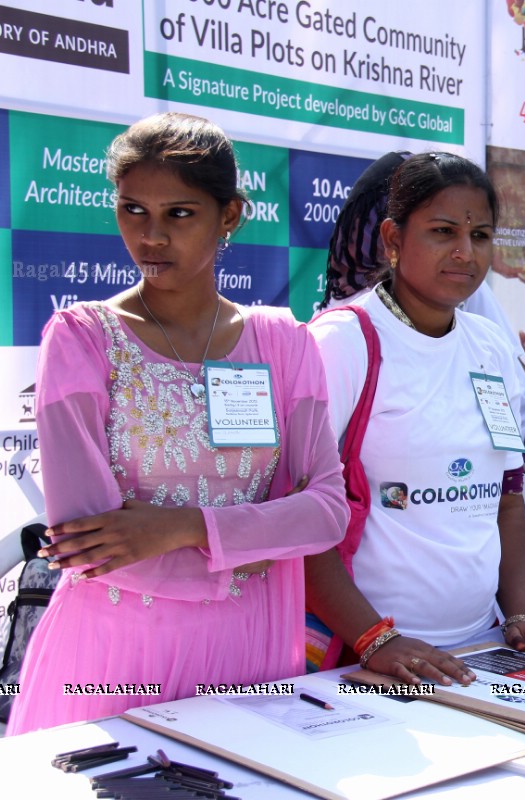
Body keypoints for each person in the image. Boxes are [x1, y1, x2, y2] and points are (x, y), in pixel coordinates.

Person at [8, 113, 348, 733]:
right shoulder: (85, 340)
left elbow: (327, 510)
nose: (151, 236)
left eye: (179, 214)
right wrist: (253, 547)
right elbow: (92, 545)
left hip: (251, 653)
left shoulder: (283, 342)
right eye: (133, 210)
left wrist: (186, 527)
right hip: (115, 654)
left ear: (231, 217)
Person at [306, 152, 525, 688]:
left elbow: (505, 497)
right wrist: (375, 640)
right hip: (367, 661)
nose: (464, 252)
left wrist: (521, 616)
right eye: (442, 231)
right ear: (392, 239)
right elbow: (298, 516)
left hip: (482, 651)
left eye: (480, 236)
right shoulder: (341, 342)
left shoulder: (490, 344)